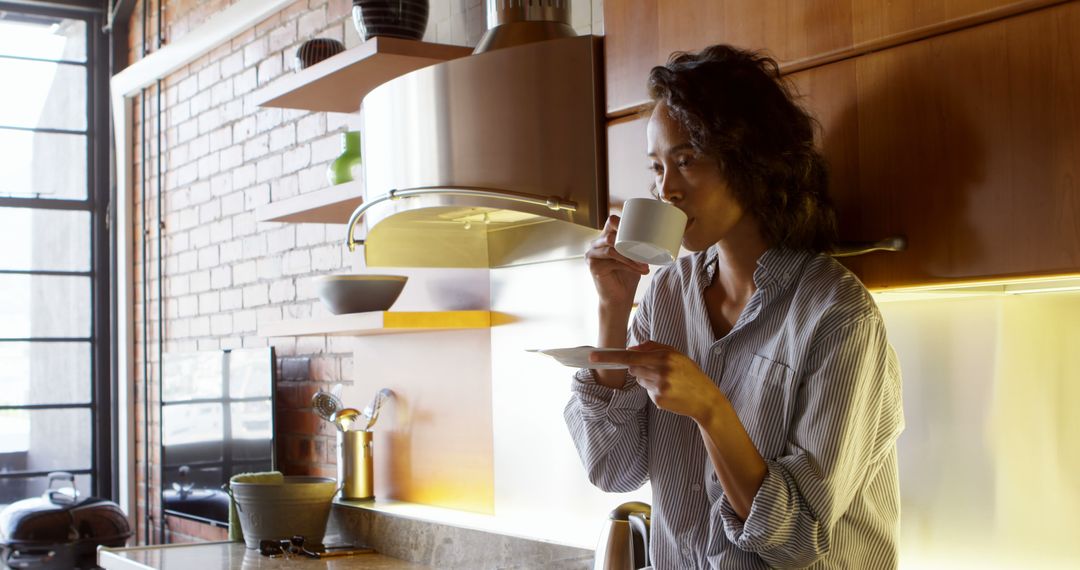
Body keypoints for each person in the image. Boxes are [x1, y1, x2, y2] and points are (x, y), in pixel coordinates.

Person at [564, 44, 905, 569]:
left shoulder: (836, 314)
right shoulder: (667, 297)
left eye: (687, 160)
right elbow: (613, 469)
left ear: (751, 161)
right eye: (658, 168)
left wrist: (710, 409)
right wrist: (613, 310)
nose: (666, 190)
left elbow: (796, 539)